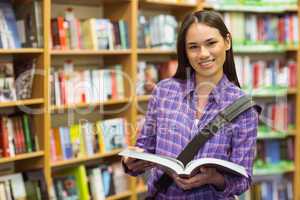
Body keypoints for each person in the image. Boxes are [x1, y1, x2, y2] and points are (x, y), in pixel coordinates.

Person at [121, 10, 259, 199]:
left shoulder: (244, 108)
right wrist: (131, 162)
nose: (203, 54)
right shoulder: (164, 91)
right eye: (193, 47)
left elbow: (244, 179)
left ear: (227, 42)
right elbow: (145, 147)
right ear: (185, 51)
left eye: (211, 43)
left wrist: (214, 178)